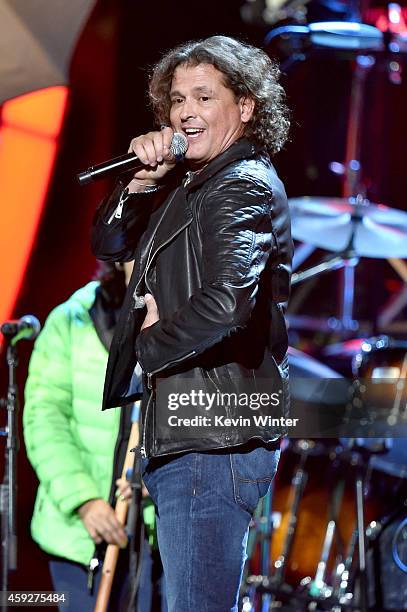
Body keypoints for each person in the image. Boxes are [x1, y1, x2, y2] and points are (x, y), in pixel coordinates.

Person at [91, 35, 292, 612]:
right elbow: (108, 242)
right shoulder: (192, 183)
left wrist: (150, 345)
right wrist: (141, 182)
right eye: (178, 99)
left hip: (213, 434)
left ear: (246, 106)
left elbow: (230, 300)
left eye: (204, 97)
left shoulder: (239, 183)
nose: (185, 113)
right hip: (194, 429)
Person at [23, 262, 166, 612]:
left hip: (160, 540)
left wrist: (166, 478)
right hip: (78, 537)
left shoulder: (192, 321)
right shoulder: (72, 318)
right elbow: (44, 417)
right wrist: (84, 500)